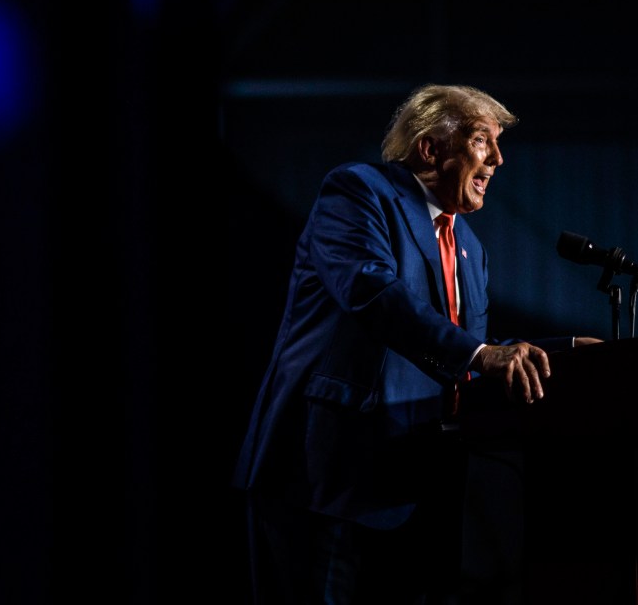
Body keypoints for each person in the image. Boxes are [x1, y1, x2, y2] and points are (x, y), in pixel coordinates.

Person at [231, 83, 601, 604]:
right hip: (329, 479)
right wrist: (480, 355)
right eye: (481, 141)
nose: (498, 158)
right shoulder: (359, 192)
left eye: (497, 144)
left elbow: (466, 350)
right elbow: (374, 293)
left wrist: (557, 350)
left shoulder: (469, 246)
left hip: (417, 486)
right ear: (430, 149)